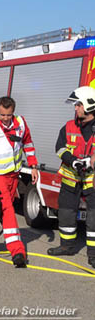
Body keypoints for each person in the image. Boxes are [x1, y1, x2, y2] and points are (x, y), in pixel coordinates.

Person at [0, 96, 38, 268]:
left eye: (8, 115)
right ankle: (17, 252)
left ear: (13, 112)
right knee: (8, 211)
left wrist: (33, 165)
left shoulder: (21, 123)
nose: (5, 118)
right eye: (2, 115)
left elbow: (28, 144)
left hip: (13, 176)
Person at [48, 86, 95, 269]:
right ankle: (67, 246)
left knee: (93, 217)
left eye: (78, 105)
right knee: (66, 212)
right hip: (70, 177)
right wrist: (73, 160)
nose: (75, 108)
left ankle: (93, 254)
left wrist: (90, 162)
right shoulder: (68, 126)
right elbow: (59, 148)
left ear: (89, 106)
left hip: (92, 180)